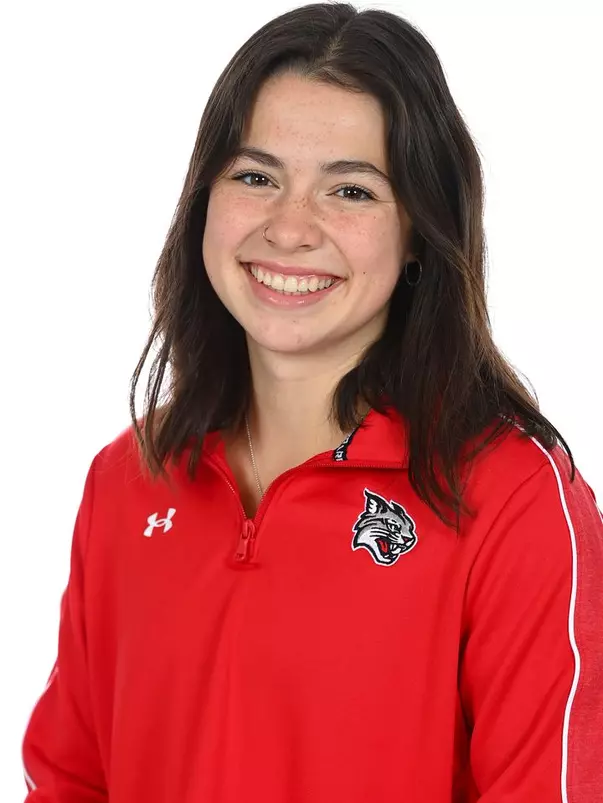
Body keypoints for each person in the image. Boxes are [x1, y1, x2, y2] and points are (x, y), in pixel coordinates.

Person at [21, 3, 603, 801]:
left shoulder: (510, 497)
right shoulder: (129, 479)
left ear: (418, 233)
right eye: (255, 177)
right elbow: (69, 782)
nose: (290, 229)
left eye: (351, 191)